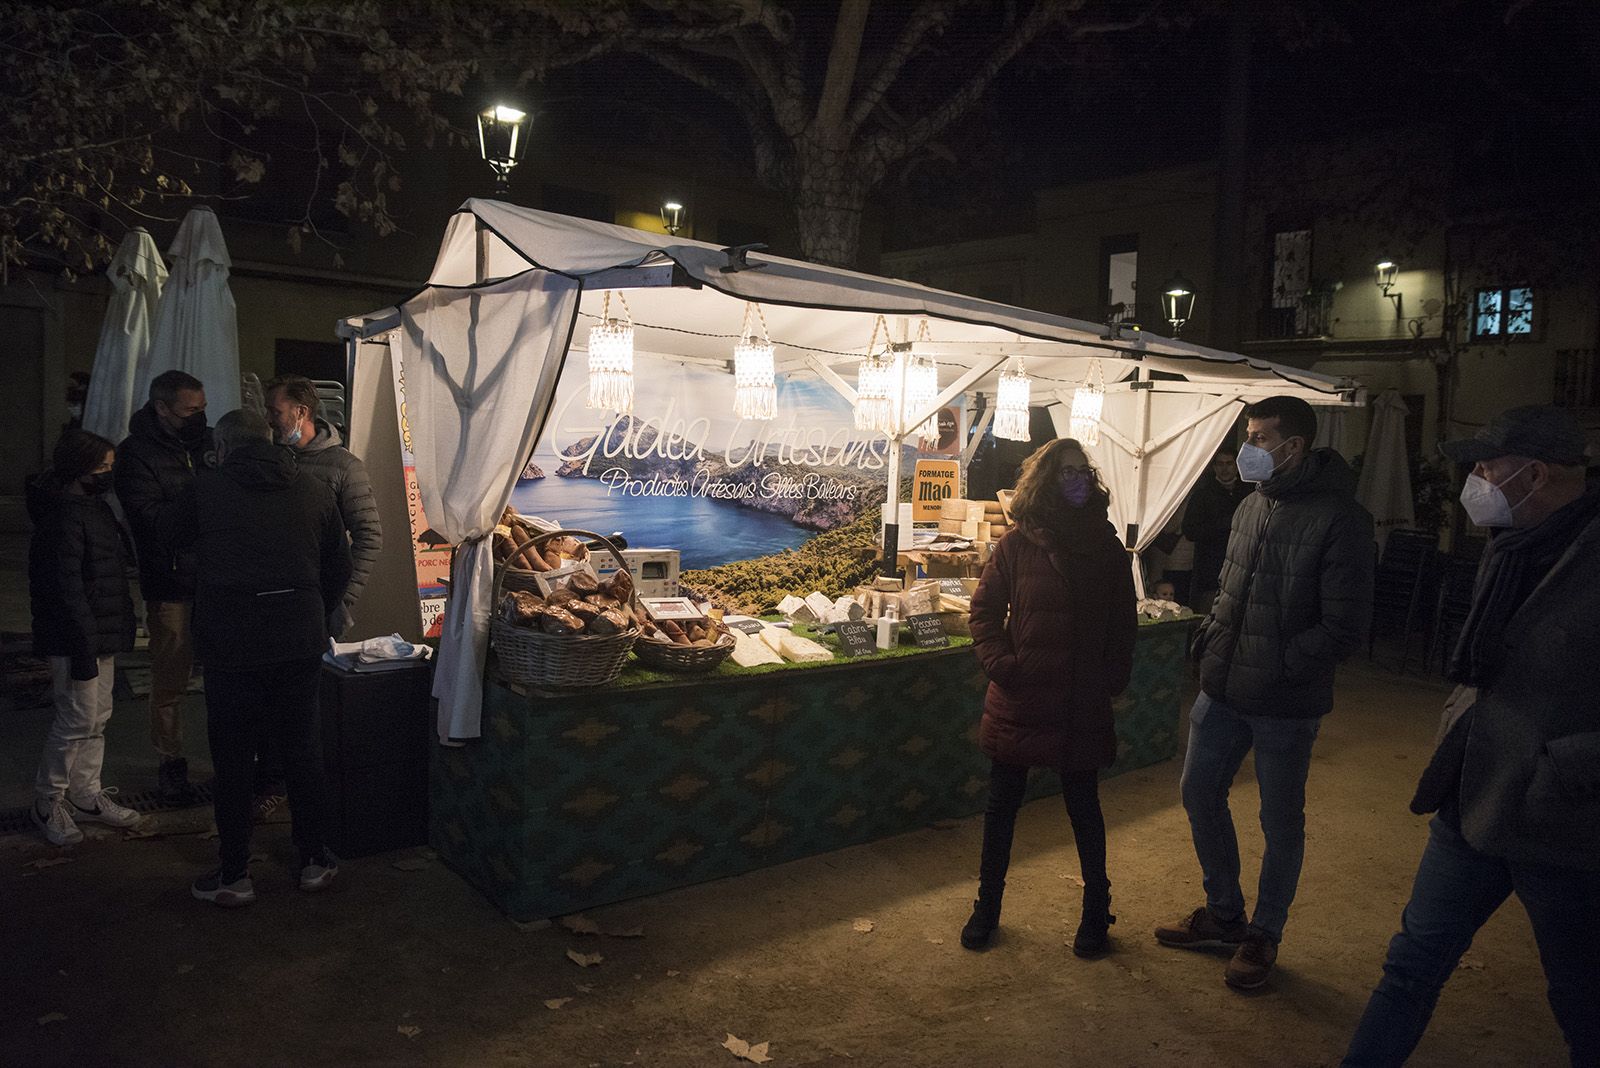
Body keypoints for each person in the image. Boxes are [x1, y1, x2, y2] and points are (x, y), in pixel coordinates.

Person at [1344, 406, 1599, 1066]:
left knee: (1582, 1001)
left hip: (1560, 821)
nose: (1475, 479)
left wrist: (1561, 766)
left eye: (1487, 466)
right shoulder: (1511, 545)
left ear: (1535, 473)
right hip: (1473, 796)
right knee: (1409, 966)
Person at [1155, 395, 1374, 990]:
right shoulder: (1252, 505)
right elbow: (1230, 584)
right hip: (1223, 687)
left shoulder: (1340, 518)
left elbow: (1346, 627)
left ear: (1293, 446)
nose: (1247, 449)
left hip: (1284, 701)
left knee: (1280, 820)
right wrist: (1212, 636)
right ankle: (1225, 914)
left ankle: (1263, 933)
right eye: (1247, 436)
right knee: (1199, 792)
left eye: (1258, 438)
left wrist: (1282, 662)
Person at [165, 409, 352, 907]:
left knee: (232, 757)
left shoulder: (205, 490)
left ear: (222, 448)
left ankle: (234, 872)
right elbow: (340, 564)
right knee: (302, 749)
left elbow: (165, 541)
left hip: (231, 641)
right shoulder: (313, 489)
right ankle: (313, 859)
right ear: (271, 440)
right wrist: (313, 606)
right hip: (297, 637)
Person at [962, 438, 1138, 957]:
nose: (1078, 480)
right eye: (1066, 473)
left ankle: (1095, 913)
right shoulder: (1017, 546)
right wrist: (1002, 666)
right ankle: (986, 907)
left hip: (1080, 700)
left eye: (1083, 472)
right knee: (1002, 809)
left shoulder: (1107, 548)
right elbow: (984, 613)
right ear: (1045, 481)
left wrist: (1111, 678)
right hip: (1023, 696)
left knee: (1084, 808)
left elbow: (1123, 625)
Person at [255, 375, 381, 821]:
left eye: (275, 410)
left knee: (304, 707)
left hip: (314, 607)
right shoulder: (269, 459)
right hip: (269, 605)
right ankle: (270, 781)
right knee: (267, 701)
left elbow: (369, 535)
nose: (269, 418)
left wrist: (344, 602)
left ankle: (298, 795)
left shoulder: (343, 466)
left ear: (301, 413)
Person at [27, 430, 141, 845]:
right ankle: (48, 800)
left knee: (97, 718)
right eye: (102, 468)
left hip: (98, 633)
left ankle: (86, 794)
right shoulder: (64, 515)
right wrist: (82, 647)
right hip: (76, 638)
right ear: (79, 469)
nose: (108, 474)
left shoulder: (93, 508)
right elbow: (66, 588)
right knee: (75, 719)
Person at [114, 369, 210, 803]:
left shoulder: (206, 443)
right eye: (191, 410)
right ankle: (170, 763)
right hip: (171, 583)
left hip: (215, 579)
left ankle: (234, 757)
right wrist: (204, 503)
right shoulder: (135, 455)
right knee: (170, 677)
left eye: (202, 410)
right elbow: (151, 522)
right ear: (162, 407)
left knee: (227, 675)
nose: (199, 418)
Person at [1180, 445, 1252, 616]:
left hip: (1243, 562)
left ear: (1236, 465)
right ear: (1213, 467)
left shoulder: (1249, 492)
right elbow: (1190, 530)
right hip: (1211, 567)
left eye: (1229, 463)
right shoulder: (1203, 495)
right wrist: (1224, 523)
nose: (1224, 468)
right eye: (1220, 464)